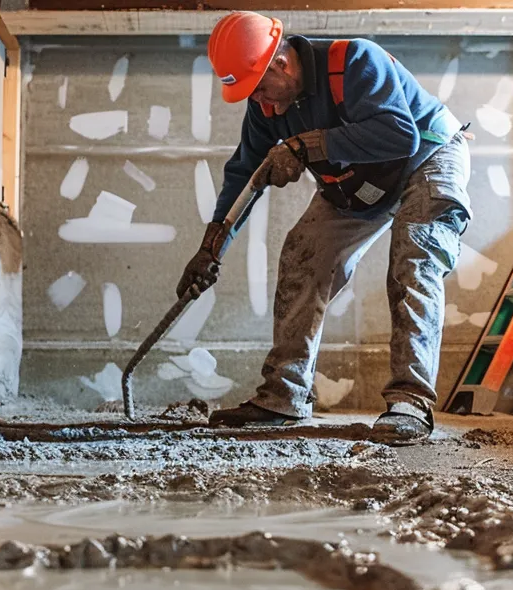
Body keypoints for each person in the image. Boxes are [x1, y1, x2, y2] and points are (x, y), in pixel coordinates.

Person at [178, 11, 471, 445]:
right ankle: (282, 397)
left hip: (426, 159)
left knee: (415, 259)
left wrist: (305, 145)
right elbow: (244, 173)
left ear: (280, 62)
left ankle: (410, 403)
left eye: (260, 88)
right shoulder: (264, 109)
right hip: (360, 180)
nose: (261, 103)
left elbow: (400, 136)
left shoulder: (354, 62)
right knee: (302, 254)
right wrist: (212, 245)